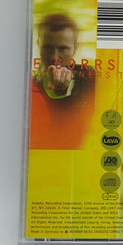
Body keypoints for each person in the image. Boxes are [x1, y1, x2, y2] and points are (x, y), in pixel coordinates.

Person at [29, 13, 95, 150]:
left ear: (75, 48)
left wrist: (68, 85)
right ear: (39, 45)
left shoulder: (88, 76)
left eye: (63, 48)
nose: (54, 56)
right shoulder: (30, 85)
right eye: (48, 47)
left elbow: (82, 84)